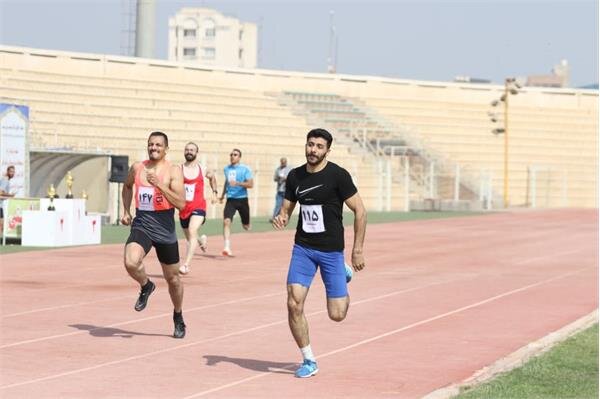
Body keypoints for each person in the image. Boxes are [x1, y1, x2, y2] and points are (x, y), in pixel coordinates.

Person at [272, 128, 367, 378]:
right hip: (303, 248)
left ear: (327, 150)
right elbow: (287, 209)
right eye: (310, 145)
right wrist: (281, 217)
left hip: (331, 250)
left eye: (319, 146)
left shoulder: (338, 176)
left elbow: (360, 210)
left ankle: (343, 271)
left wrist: (357, 250)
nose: (313, 150)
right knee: (293, 302)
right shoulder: (295, 176)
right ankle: (309, 359)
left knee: (337, 315)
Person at [120, 131, 188, 338]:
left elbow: (181, 204)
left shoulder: (173, 170)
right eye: (151, 144)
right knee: (131, 262)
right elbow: (127, 186)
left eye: (158, 145)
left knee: (173, 279)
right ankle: (146, 285)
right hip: (142, 224)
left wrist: (159, 185)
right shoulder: (137, 168)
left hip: (165, 229)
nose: (154, 148)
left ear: (166, 148)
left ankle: (178, 315)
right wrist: (126, 211)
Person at [179, 142, 218, 275]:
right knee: (191, 237)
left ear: (196, 153)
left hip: (198, 207)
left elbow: (212, 178)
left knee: (192, 229)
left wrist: (214, 192)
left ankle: (186, 265)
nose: (189, 152)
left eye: (192, 150)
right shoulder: (179, 169)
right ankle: (201, 240)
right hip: (183, 208)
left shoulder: (202, 168)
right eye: (187, 150)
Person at [218, 148, 253, 256]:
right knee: (226, 221)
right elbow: (227, 182)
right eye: (231, 154)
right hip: (231, 199)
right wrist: (222, 195)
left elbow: (250, 184)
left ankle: (246, 223)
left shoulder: (245, 169)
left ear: (239, 157)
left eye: (235, 154)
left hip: (242, 199)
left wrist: (238, 183)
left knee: (246, 226)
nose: (232, 156)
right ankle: (227, 247)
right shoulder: (226, 169)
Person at [270, 157, 291, 222]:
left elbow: (291, 179)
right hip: (280, 190)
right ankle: (274, 218)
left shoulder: (289, 169)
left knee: (285, 206)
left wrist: (286, 178)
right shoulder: (278, 169)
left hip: (286, 190)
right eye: (282, 162)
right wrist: (278, 178)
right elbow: (275, 179)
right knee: (278, 205)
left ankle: (284, 218)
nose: (283, 163)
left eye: (284, 162)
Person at [0, 165, 16, 231]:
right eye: (11, 171)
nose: (12, 173)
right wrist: (10, 195)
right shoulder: (5, 180)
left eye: (13, 172)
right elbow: (0, 192)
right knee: (2, 224)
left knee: (2, 224)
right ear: (7, 172)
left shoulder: (6, 180)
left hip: (1, 205)